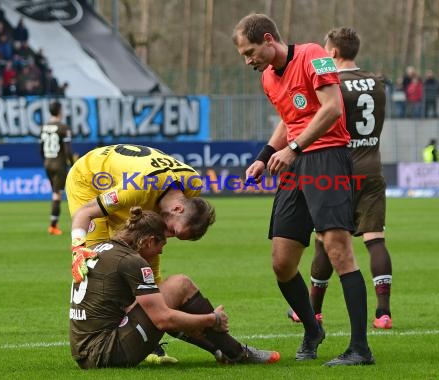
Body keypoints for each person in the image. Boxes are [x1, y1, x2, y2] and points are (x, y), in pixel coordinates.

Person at [233, 14, 373, 366]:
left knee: (339, 250)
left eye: (250, 52)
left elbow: (332, 108)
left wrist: (293, 150)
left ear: (268, 39)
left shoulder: (314, 54)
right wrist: (265, 156)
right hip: (295, 165)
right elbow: (288, 119)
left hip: (326, 156)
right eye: (244, 56)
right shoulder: (268, 77)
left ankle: (360, 348)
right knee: (282, 262)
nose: (249, 61)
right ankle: (313, 329)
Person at [70, 206, 280, 369]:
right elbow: (163, 319)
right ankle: (236, 353)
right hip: (106, 353)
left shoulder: (99, 248)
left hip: (86, 350)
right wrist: (212, 319)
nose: (160, 253)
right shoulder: (131, 261)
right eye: (162, 246)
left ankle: (223, 351)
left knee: (160, 297)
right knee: (179, 285)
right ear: (150, 240)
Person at [66, 143, 216, 363]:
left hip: (137, 183)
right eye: (173, 230)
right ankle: (106, 336)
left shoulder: (191, 187)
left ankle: (143, 335)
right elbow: (86, 212)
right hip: (90, 178)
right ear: (178, 209)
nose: (169, 236)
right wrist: (78, 248)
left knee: (146, 264)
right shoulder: (137, 189)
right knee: (99, 258)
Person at [286, 27, 394, 333]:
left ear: (332, 52)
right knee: (375, 240)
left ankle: (312, 311)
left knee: (325, 241)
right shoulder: (377, 82)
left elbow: (321, 113)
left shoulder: (332, 83)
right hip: (371, 168)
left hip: (338, 168)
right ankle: (383, 313)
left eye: (325, 49)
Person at [40, 100, 75, 235]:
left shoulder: (44, 126)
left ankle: (54, 224)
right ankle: (53, 226)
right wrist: (72, 164)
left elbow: (40, 149)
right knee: (57, 194)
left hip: (48, 163)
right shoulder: (63, 127)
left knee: (55, 193)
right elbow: (67, 150)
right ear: (60, 110)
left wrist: (45, 161)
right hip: (59, 164)